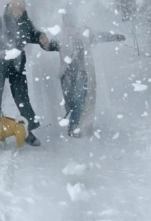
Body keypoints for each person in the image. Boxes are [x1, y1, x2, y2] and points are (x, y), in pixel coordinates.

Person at [0, 0, 53, 146]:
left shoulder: (26, 23)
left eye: (20, 5)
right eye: (15, 5)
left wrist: (40, 37)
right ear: (9, 6)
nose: (18, 8)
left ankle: (26, 131)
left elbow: (32, 34)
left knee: (22, 98)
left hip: (17, 66)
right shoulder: (0, 22)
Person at [54, 8, 125, 138]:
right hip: (66, 73)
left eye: (71, 16)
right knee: (70, 102)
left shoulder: (83, 31)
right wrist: (42, 42)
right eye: (67, 17)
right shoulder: (60, 34)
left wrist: (115, 36)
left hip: (82, 71)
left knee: (79, 100)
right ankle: (75, 123)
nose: (70, 19)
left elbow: (99, 36)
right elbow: (48, 44)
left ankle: (74, 127)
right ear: (64, 18)